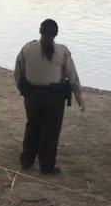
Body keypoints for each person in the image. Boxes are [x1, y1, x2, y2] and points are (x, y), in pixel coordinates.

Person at [14, 19, 84, 174]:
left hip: (32, 96)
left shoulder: (27, 48)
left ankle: (26, 160)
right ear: (56, 33)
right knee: (50, 132)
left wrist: (23, 89)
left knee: (32, 126)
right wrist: (80, 99)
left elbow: (18, 72)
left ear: (40, 30)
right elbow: (72, 77)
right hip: (54, 98)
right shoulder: (62, 51)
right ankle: (46, 166)